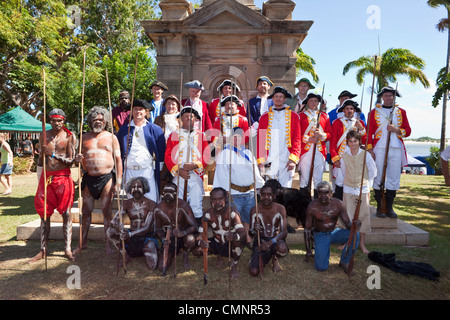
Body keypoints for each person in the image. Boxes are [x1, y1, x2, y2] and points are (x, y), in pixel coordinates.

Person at [73, 107, 123, 255]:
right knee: (85, 211)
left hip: (106, 178)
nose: (98, 122)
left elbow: (119, 160)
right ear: (90, 121)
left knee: (106, 212)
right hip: (88, 179)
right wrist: (77, 159)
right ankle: (83, 242)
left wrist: (118, 181)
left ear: (105, 121)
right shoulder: (84, 137)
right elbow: (78, 157)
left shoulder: (112, 137)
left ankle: (109, 244)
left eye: (101, 119)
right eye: (95, 119)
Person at [29, 109, 77, 262]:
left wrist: (53, 154)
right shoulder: (44, 134)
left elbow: (72, 161)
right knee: (44, 214)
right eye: (54, 121)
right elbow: (40, 160)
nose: (57, 123)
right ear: (50, 121)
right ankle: (43, 249)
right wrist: (42, 155)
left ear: (64, 121)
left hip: (63, 178)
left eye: (60, 121)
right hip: (47, 178)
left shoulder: (69, 136)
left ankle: (67, 248)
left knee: (67, 214)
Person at [213, 127, 265, 248]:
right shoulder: (225, 153)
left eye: (240, 136)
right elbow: (222, 173)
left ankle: (246, 238)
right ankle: (235, 240)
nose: (237, 139)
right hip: (234, 193)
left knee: (247, 217)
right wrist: (224, 192)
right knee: (235, 219)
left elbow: (255, 171)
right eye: (235, 136)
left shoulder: (247, 153)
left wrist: (260, 185)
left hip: (250, 192)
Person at [367, 86, 411, 218]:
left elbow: (407, 131)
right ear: (382, 97)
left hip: (396, 147)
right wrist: (370, 149)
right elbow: (369, 132)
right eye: (386, 95)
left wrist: (396, 130)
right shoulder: (374, 112)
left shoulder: (401, 111)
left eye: (391, 95)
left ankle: (390, 206)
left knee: (393, 177)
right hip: (380, 148)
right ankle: (381, 205)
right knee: (378, 176)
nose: (389, 98)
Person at [164, 106, 210, 225]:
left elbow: (206, 155)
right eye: (186, 116)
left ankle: (196, 231)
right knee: (177, 203)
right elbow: (168, 155)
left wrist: (195, 165)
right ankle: (177, 229)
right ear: (181, 119)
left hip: (195, 175)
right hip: (179, 175)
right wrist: (178, 170)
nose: (189, 118)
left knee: (196, 203)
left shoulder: (201, 135)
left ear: (195, 119)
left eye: (191, 116)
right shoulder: (174, 134)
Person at [303, 181, 361, 275]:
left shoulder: (338, 204)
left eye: (326, 192)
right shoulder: (312, 207)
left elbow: (347, 224)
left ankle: (344, 261)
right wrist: (308, 250)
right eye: (320, 193)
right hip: (320, 234)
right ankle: (322, 250)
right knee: (321, 267)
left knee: (355, 234)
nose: (323, 195)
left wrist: (355, 224)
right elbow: (307, 229)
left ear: (331, 193)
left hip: (334, 232)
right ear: (317, 194)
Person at [117, 99, 166, 203]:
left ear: (146, 112)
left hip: (146, 171)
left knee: (151, 201)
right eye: (135, 109)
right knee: (132, 202)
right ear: (131, 111)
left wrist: (160, 166)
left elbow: (161, 149)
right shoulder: (123, 130)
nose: (138, 111)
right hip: (129, 171)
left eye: (141, 109)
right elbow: (119, 150)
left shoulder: (155, 129)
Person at [193, 187, 246, 279]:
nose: (217, 202)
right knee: (196, 251)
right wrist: (200, 242)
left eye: (220, 199)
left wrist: (234, 236)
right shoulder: (207, 215)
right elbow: (200, 235)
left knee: (238, 241)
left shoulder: (232, 213)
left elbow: (243, 234)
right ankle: (219, 255)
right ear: (210, 201)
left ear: (225, 199)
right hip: (217, 242)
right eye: (214, 199)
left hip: (229, 244)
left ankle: (234, 265)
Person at [107, 176, 158, 269]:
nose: (136, 189)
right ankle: (125, 254)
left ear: (144, 188)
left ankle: (145, 251)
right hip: (131, 238)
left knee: (152, 266)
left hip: (147, 238)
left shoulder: (151, 204)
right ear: (130, 190)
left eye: (139, 187)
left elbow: (147, 227)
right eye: (133, 187)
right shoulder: (126, 203)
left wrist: (129, 234)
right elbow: (113, 222)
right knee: (110, 231)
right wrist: (119, 227)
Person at [338, 131, 376, 254]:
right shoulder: (344, 156)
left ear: (359, 141)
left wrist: (366, 184)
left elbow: (373, 171)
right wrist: (349, 182)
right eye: (350, 141)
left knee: (363, 216)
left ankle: (362, 244)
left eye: (355, 141)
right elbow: (344, 171)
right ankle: (347, 242)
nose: (353, 144)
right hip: (348, 189)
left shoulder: (366, 155)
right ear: (347, 142)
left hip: (362, 189)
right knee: (348, 217)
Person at [257, 86, 301, 188]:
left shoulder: (294, 116)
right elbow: (261, 140)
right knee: (270, 188)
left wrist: (293, 159)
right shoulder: (264, 117)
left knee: (285, 189)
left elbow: (297, 139)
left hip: (286, 157)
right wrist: (261, 161)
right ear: (272, 99)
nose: (278, 99)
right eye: (276, 96)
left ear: (285, 99)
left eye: (281, 97)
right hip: (269, 158)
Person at [154, 181, 198, 272]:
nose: (167, 194)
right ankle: (173, 251)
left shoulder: (183, 206)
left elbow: (194, 226)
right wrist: (163, 239)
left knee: (190, 239)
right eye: (165, 192)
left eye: (171, 192)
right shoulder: (159, 208)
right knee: (162, 268)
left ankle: (185, 253)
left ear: (176, 193)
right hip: (169, 238)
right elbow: (158, 228)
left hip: (183, 236)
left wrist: (183, 233)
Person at [249, 183, 288, 277]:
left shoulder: (280, 209)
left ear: (274, 196)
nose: (266, 197)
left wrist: (270, 243)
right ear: (260, 195)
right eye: (263, 194)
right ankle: (257, 258)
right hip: (260, 241)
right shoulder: (255, 210)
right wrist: (254, 229)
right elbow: (251, 233)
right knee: (254, 272)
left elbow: (284, 232)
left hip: (275, 240)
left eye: (269, 194)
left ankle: (275, 259)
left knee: (282, 248)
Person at [330, 99, 366, 200]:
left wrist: (362, 129)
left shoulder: (360, 123)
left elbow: (365, 141)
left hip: (355, 156)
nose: (349, 111)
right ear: (343, 110)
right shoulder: (337, 123)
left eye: (351, 109)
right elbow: (333, 143)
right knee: (340, 182)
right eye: (347, 109)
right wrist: (335, 159)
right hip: (341, 155)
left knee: (354, 180)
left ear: (354, 110)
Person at [298, 93, 332, 197]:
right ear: (307, 103)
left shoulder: (325, 116)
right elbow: (296, 134)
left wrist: (322, 135)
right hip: (306, 150)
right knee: (304, 178)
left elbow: (330, 134)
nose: (314, 103)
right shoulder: (301, 116)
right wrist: (309, 139)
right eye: (311, 101)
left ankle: (318, 203)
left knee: (318, 179)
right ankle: (304, 203)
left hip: (320, 150)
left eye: (316, 101)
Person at [154, 94, 181, 195]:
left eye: (173, 104)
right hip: (162, 152)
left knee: (176, 178)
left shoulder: (181, 119)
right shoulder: (159, 119)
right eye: (168, 103)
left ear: (177, 106)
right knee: (162, 177)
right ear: (165, 105)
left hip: (177, 153)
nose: (171, 106)